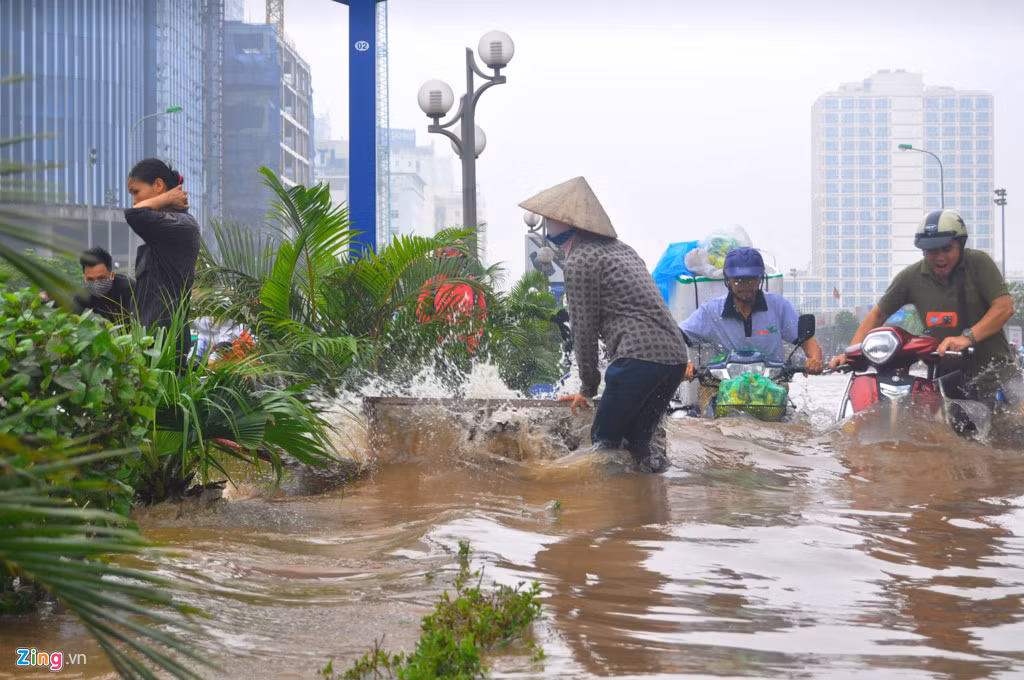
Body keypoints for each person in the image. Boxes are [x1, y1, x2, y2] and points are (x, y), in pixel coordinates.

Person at [519, 176, 687, 473]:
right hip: (674, 359)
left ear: (568, 224)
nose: (548, 226)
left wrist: (587, 388)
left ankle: (605, 512)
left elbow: (583, 329)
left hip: (638, 359)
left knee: (604, 443)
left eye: (551, 220)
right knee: (639, 445)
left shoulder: (581, 260)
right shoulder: (622, 249)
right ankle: (649, 507)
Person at [828, 209, 1017, 405]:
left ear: (960, 245)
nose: (939, 257)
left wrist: (966, 338)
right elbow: (877, 315)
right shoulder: (911, 277)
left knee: (1010, 427)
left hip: (996, 372)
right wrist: (850, 354)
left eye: (946, 249)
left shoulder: (978, 263)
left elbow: (1004, 307)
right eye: (932, 251)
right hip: (948, 379)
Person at [681, 247, 824, 379]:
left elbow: (806, 340)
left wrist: (814, 361)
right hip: (726, 391)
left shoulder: (779, 306)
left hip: (772, 389)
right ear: (727, 278)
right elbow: (678, 336)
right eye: (738, 280)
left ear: (760, 277)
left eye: (751, 279)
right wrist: (682, 365)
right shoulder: (711, 312)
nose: (745, 285)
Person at [124, 158, 201, 358]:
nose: (134, 200)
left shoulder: (182, 225)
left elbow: (135, 215)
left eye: (136, 192)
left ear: (158, 185)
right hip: (148, 341)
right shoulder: (161, 234)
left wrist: (164, 199)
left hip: (164, 344)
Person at [74, 246, 135, 323]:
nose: (96, 284)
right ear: (84, 278)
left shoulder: (129, 288)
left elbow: (141, 319)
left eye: (101, 278)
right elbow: (71, 319)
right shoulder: (84, 294)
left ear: (112, 275)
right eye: (90, 279)